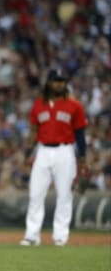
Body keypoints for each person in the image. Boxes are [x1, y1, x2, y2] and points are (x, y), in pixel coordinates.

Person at [20, 69, 88, 247]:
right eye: (56, 81)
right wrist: (27, 153)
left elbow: (80, 134)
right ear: (48, 83)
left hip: (65, 151)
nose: (60, 84)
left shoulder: (74, 106)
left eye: (62, 81)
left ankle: (60, 236)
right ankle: (32, 235)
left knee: (64, 194)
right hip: (42, 150)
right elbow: (34, 131)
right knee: (35, 194)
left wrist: (83, 158)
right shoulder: (38, 105)